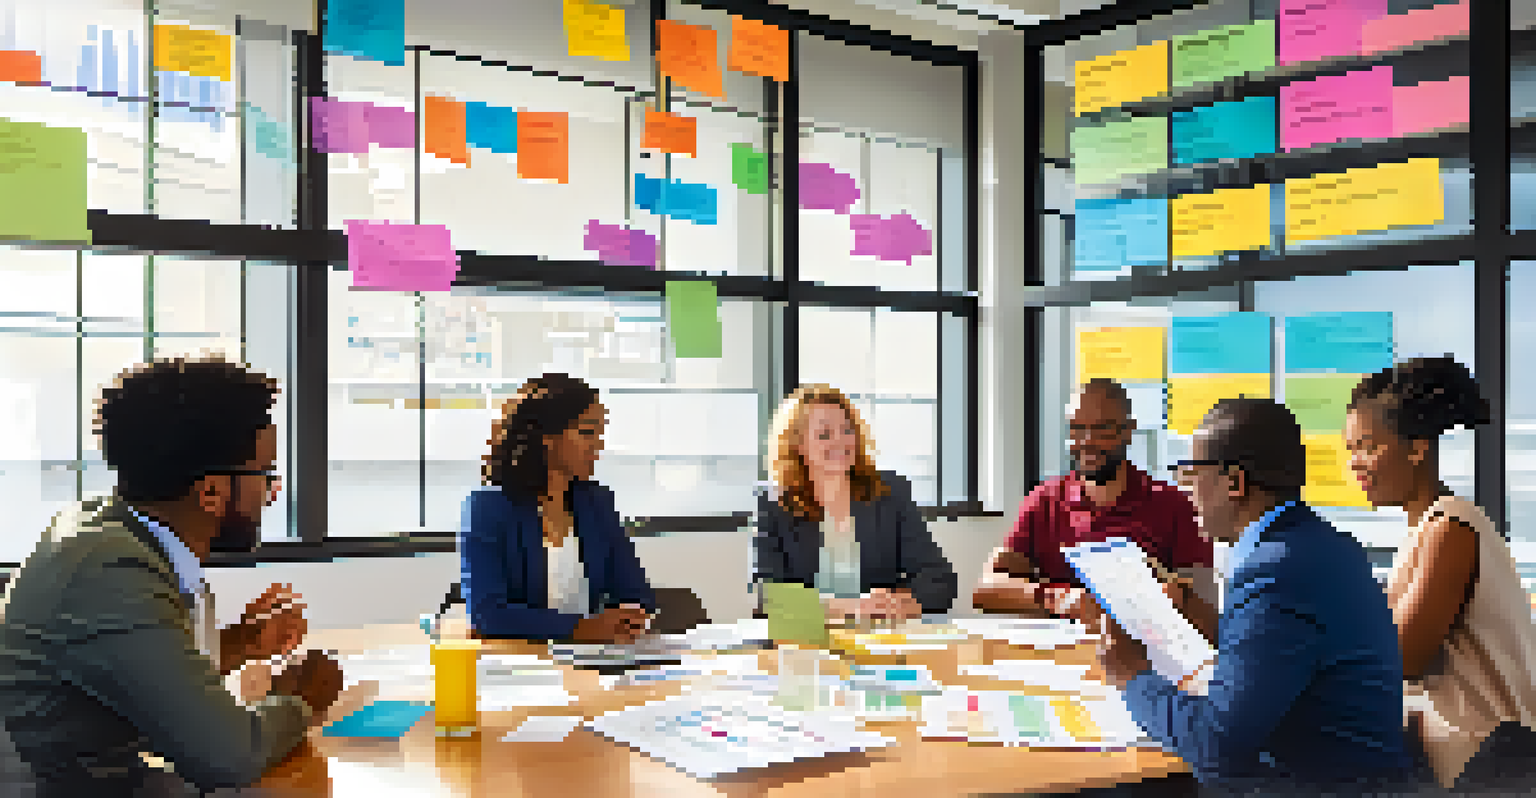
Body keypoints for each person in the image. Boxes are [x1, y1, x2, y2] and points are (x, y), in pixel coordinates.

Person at [0, 356, 344, 797]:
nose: (272, 495)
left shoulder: (103, 531)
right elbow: (229, 756)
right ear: (211, 492)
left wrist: (241, 643)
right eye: (265, 475)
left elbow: (136, 677)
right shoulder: (110, 571)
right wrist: (302, 702)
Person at [1098, 396, 1413, 795]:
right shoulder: (1312, 542)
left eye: (1191, 475)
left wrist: (1131, 677)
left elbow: (1217, 747)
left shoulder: (1277, 568)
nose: (1186, 492)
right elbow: (1276, 653)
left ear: (1234, 482)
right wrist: (1189, 608)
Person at [1346, 356, 1536, 790]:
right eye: (1351, 450)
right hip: (1460, 763)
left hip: (1488, 767)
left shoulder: (1450, 528)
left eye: (1368, 446)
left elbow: (1401, 658)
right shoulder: (1426, 528)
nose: (1356, 464)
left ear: (1417, 447)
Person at [973, 379, 1214, 625]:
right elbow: (987, 590)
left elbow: (1205, 605)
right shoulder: (1045, 499)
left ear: (1128, 431)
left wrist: (1161, 597)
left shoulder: (1173, 504)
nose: (1087, 441)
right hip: (1058, 654)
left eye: (1102, 429)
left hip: (1140, 651)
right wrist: (1062, 598)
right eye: (1077, 429)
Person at [461, 373, 656, 643]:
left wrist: (630, 618)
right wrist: (581, 629)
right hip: (524, 663)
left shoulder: (597, 502)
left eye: (600, 434)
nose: (598, 446)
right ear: (546, 437)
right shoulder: (489, 506)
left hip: (593, 659)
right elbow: (488, 613)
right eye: (587, 433)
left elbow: (638, 594)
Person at [753, 384, 957, 621]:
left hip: (880, 641)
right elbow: (767, 596)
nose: (841, 441)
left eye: (847, 430)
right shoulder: (773, 501)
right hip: (804, 641)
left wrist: (896, 603)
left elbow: (940, 580)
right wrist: (851, 606)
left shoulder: (889, 492)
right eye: (824, 434)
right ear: (797, 445)